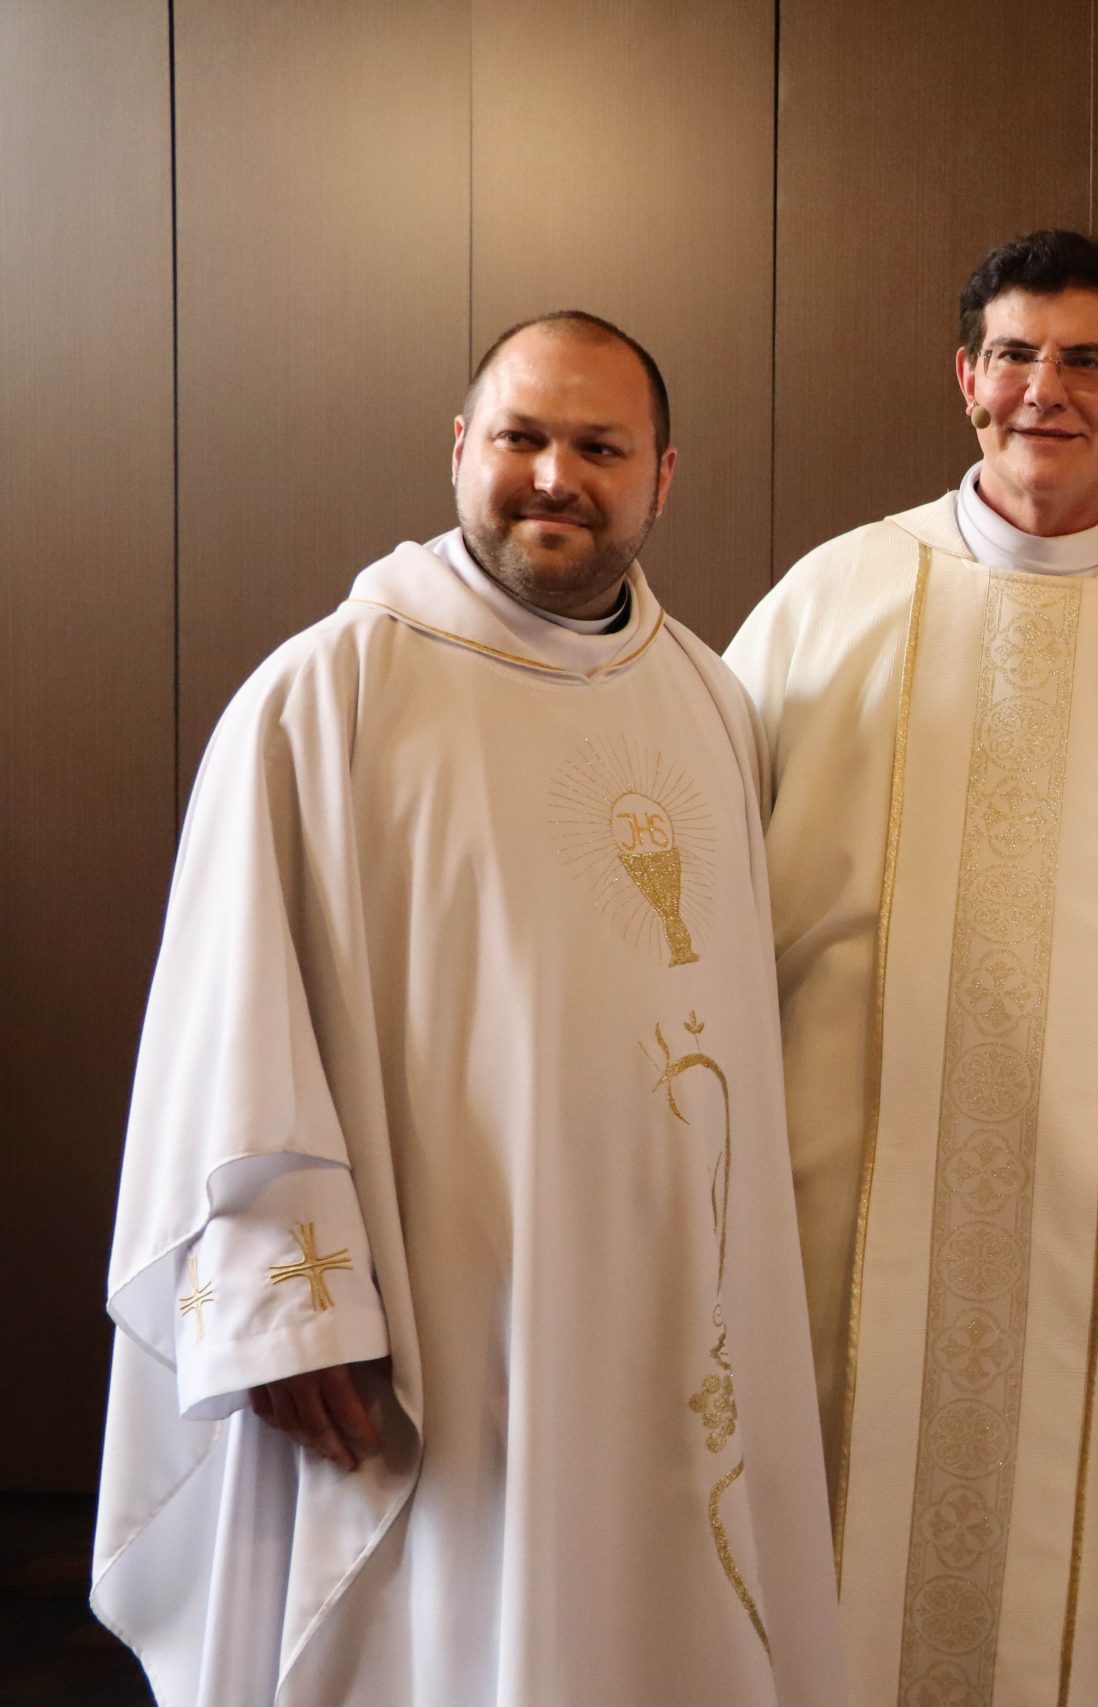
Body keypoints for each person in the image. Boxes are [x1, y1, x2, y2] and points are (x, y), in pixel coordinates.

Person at [92, 312, 841, 1705]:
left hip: (671, 1308)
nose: (556, 476)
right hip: (442, 1313)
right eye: (521, 438)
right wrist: (290, 1307)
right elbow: (229, 1019)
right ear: (459, 451)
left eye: (599, 447)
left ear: (662, 476)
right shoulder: (330, 690)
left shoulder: (708, 700)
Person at [723, 229, 1098, 1706]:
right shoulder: (834, 596)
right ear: (966, 377)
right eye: (1015, 355)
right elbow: (713, 881)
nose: (1046, 390)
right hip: (851, 1172)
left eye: (1086, 360)